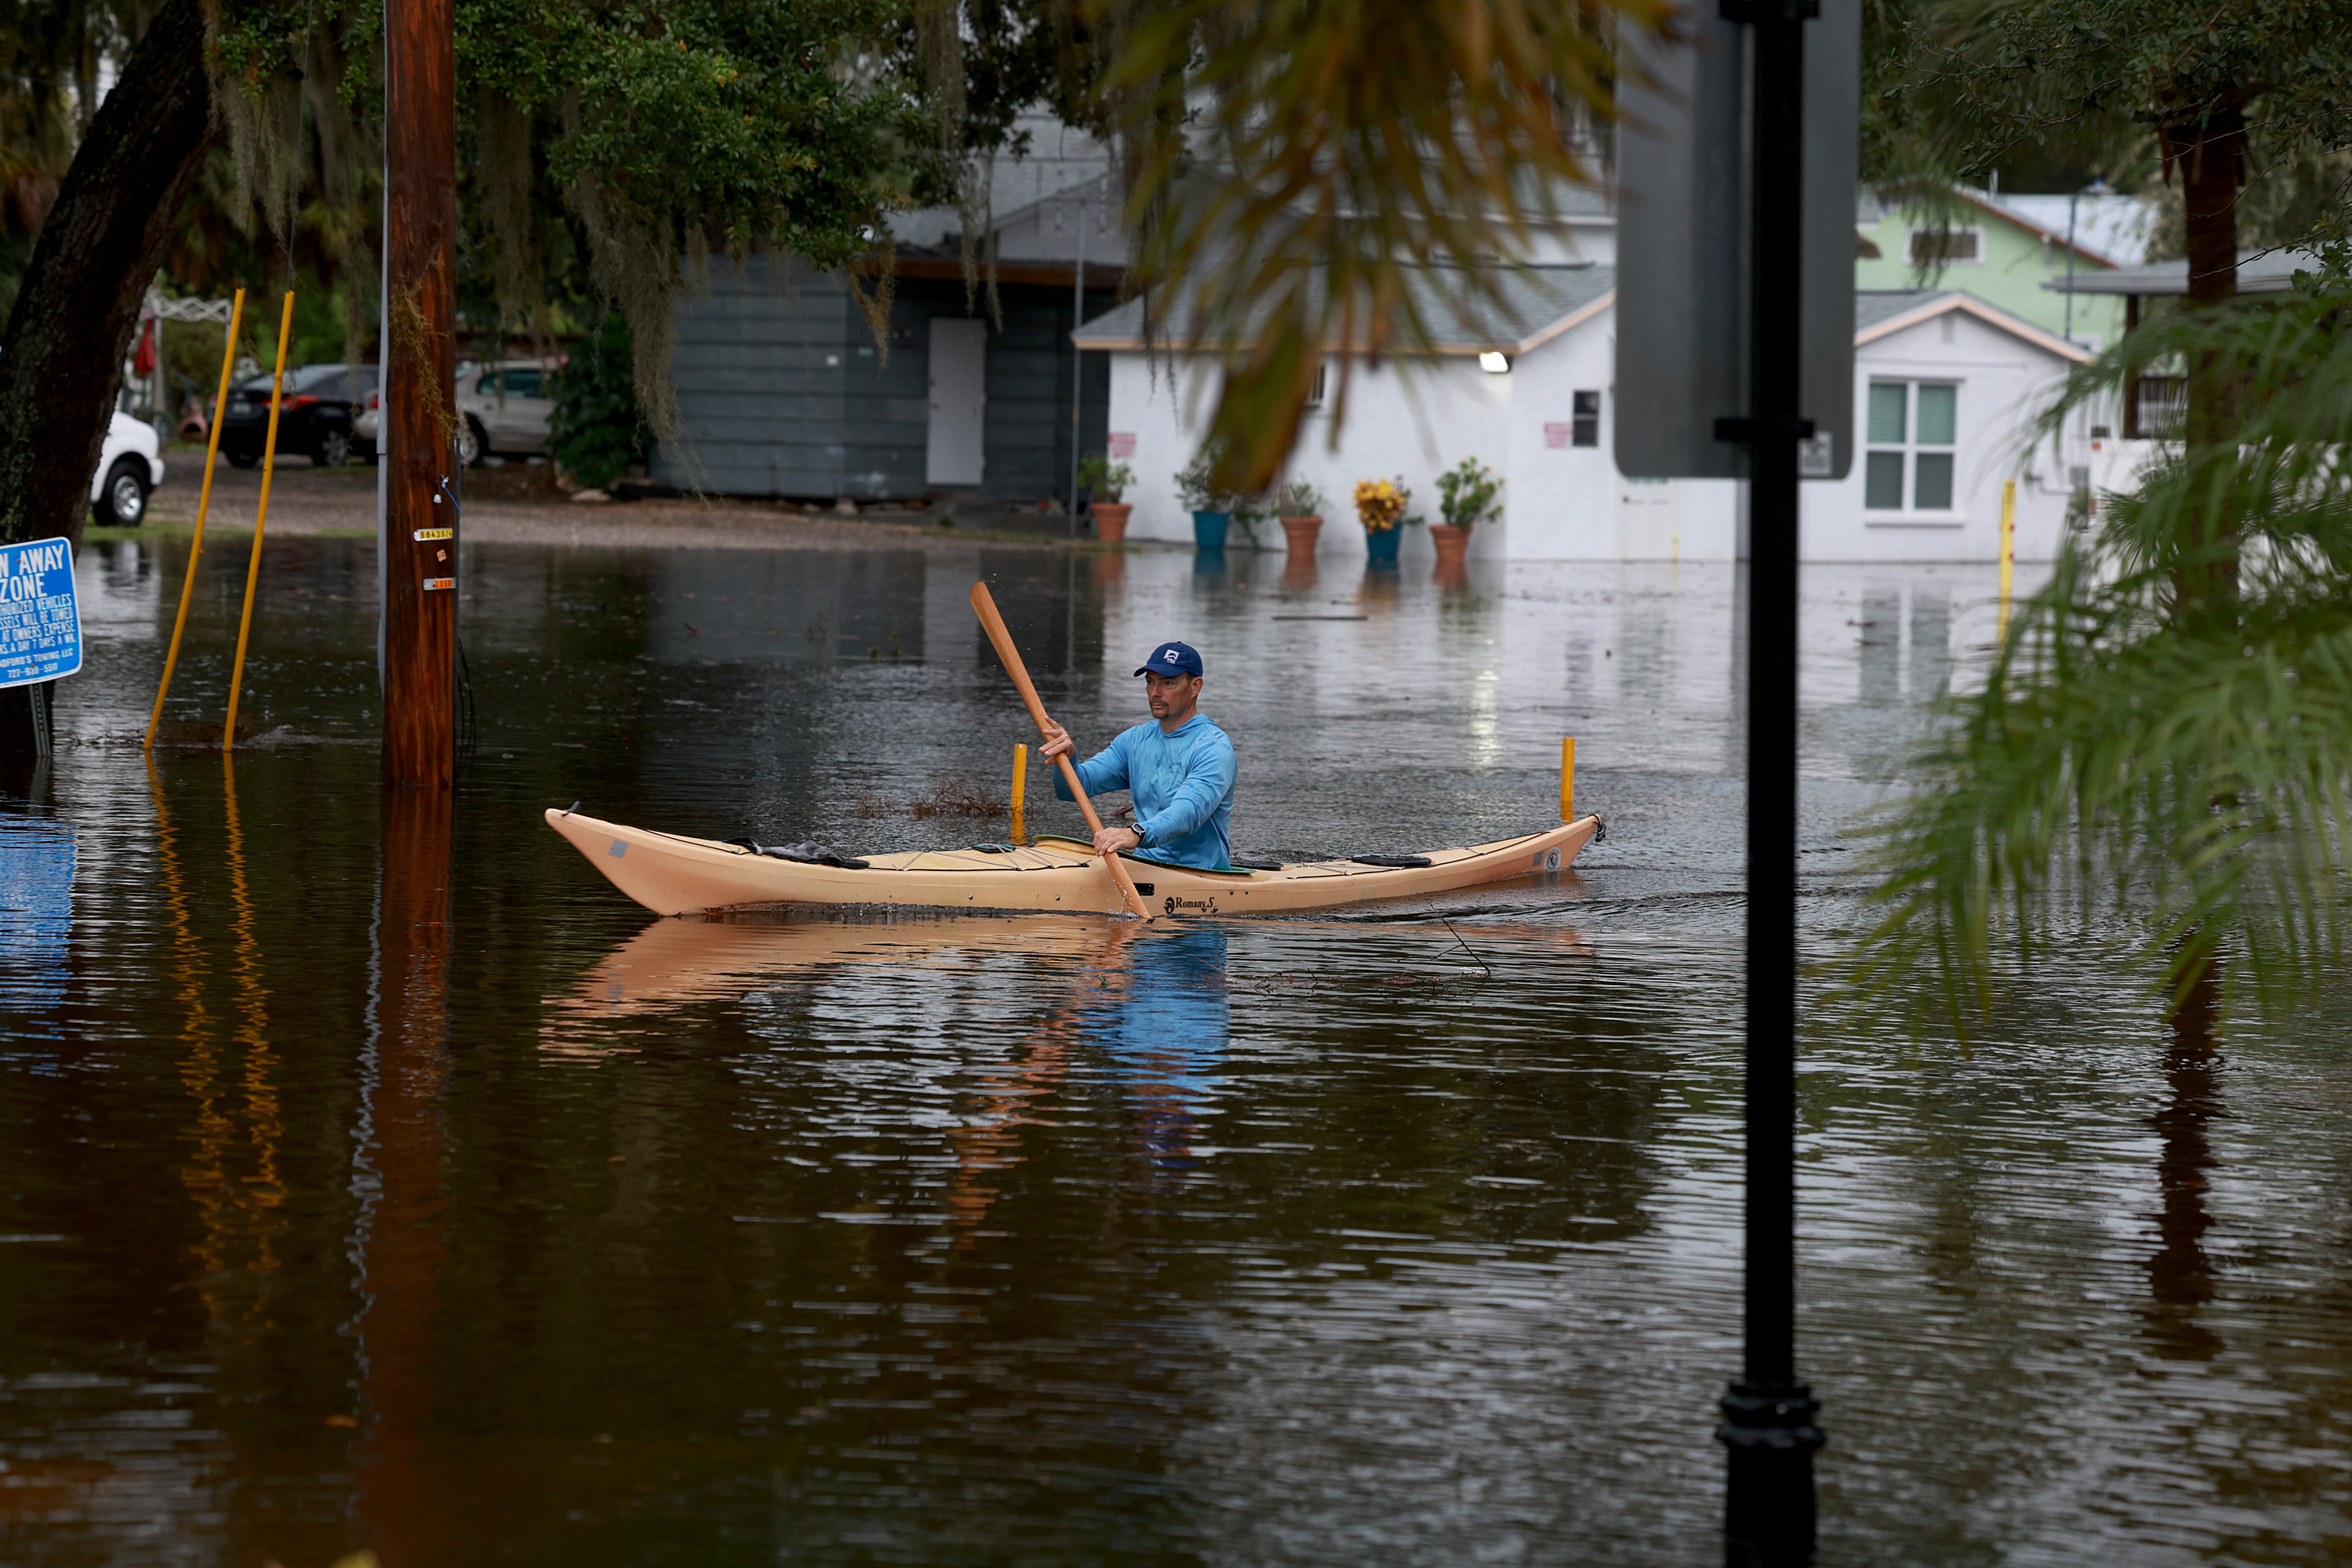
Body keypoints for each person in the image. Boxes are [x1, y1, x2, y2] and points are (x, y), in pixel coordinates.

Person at [1037, 640, 1236, 870]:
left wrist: (1135, 834)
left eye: (1168, 683)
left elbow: (1188, 813)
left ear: (1195, 687)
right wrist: (1067, 757)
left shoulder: (1213, 748)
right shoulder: (1134, 740)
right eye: (1150, 682)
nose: (1155, 692)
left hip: (1201, 875)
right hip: (1144, 867)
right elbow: (1072, 791)